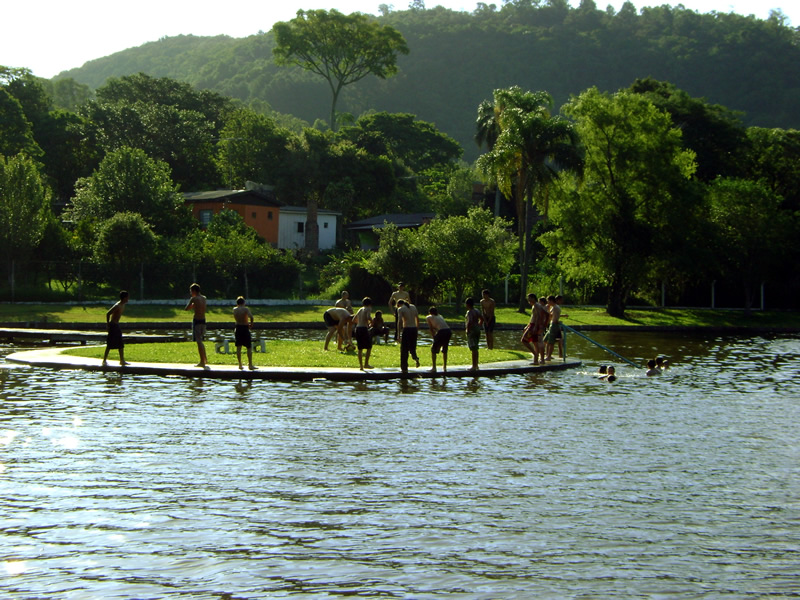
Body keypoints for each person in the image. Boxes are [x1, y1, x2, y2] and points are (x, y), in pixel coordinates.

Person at [103, 290, 129, 366]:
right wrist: (108, 325)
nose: (128, 299)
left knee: (120, 343)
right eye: (127, 297)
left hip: (116, 325)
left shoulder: (123, 305)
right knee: (110, 343)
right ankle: (104, 360)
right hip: (113, 325)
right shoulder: (117, 306)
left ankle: (122, 360)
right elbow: (108, 313)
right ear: (124, 298)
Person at [185, 283, 208, 368]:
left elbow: (186, 308)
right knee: (201, 340)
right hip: (203, 320)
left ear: (194, 291)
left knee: (199, 341)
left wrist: (192, 305)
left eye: (191, 291)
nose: (190, 293)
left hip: (197, 320)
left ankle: (202, 361)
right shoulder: (204, 298)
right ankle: (205, 359)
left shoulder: (194, 298)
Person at [521, 293, 546, 365]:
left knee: (524, 340)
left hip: (534, 326)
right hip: (532, 325)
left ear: (533, 298)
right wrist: (527, 325)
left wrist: (535, 327)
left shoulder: (537, 305)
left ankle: (535, 354)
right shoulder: (534, 305)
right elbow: (533, 317)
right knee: (535, 342)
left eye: (529, 298)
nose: (528, 300)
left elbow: (538, 316)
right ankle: (536, 360)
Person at [396, 299, 420, 373]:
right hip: (414, 329)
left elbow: (399, 321)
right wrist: (417, 329)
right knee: (412, 347)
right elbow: (417, 318)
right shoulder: (413, 307)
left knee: (404, 349)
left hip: (407, 329)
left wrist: (398, 334)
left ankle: (404, 368)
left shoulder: (401, 309)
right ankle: (415, 357)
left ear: (398, 305)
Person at [426, 306, 452, 373]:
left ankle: (434, 367)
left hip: (442, 331)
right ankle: (444, 367)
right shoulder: (440, 316)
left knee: (433, 349)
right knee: (445, 348)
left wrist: (434, 337)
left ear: (430, 312)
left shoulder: (428, 317)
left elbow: (431, 328)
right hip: (448, 331)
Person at [233, 296, 256, 370]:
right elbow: (251, 317)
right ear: (243, 303)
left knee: (238, 347)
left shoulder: (234, 309)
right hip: (245, 328)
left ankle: (240, 364)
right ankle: (250, 364)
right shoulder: (246, 309)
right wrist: (251, 324)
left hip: (238, 328)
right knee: (249, 347)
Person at [353, 297, 374, 370]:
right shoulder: (368, 309)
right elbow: (368, 317)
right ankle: (366, 364)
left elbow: (354, 319)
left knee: (360, 348)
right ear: (370, 304)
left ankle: (361, 366)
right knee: (369, 347)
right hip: (363, 329)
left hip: (358, 328)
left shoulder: (360, 309)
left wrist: (360, 322)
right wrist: (371, 322)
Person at [465, 297, 483, 371]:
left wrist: (467, 330)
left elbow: (469, 322)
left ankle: (474, 366)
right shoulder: (476, 310)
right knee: (476, 347)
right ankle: (476, 365)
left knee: (473, 348)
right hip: (477, 329)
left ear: (467, 304)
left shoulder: (469, 312)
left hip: (472, 330)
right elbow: (482, 318)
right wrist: (479, 325)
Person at [542, 295, 561, 362]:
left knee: (551, 342)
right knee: (545, 340)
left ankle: (549, 356)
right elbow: (550, 316)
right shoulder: (553, 307)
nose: (547, 302)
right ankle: (546, 354)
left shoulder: (556, 307)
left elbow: (555, 317)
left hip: (554, 325)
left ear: (551, 301)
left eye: (548, 301)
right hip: (551, 324)